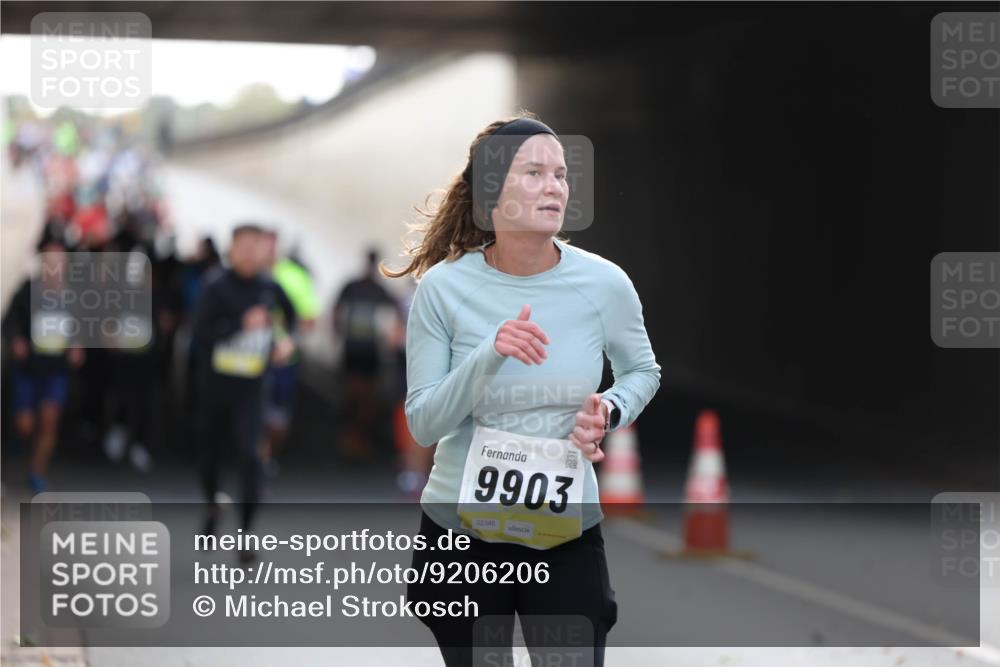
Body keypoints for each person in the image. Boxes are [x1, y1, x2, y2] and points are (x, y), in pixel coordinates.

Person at [387, 114, 660, 666]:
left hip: (563, 530)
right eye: (534, 172)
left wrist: (608, 410)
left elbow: (642, 372)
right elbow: (423, 422)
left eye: (560, 174)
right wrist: (491, 352)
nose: (555, 186)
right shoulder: (444, 287)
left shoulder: (604, 283)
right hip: (460, 532)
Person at [191, 223, 297, 557]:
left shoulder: (270, 287)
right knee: (209, 455)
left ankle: (246, 532)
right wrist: (239, 325)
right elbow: (200, 334)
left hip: (253, 386)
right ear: (232, 250)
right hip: (216, 385)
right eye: (243, 246)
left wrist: (285, 342)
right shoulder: (216, 287)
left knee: (252, 456)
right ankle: (212, 505)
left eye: (256, 245)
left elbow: (290, 318)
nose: (250, 252)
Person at [3, 234, 85, 492]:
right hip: (28, 368)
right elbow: (10, 321)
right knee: (25, 425)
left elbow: (81, 327)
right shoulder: (27, 291)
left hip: (55, 370)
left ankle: (36, 472)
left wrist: (77, 345)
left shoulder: (74, 296)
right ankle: (14, 452)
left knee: (50, 419)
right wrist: (16, 339)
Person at [259, 229, 319, 476]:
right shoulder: (243, 274)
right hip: (248, 359)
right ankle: (256, 460)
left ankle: (268, 456)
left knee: (278, 417)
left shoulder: (294, 277)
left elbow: (309, 319)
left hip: (282, 360)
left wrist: (287, 341)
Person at [332, 247, 400, 461]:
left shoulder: (380, 290)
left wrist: (391, 339)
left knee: (367, 395)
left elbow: (397, 311)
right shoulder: (352, 286)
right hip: (353, 348)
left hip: (370, 350)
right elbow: (336, 310)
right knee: (352, 393)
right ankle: (350, 438)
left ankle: (359, 439)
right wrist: (337, 333)